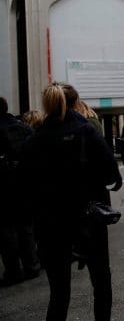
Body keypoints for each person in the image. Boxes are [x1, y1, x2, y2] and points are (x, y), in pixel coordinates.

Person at [19, 83, 121, 320]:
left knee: (59, 292)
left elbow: (24, 185)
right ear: (75, 103)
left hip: (49, 224)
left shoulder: (34, 140)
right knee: (101, 284)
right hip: (87, 220)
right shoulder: (86, 132)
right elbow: (111, 176)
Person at [0, 97, 40, 286]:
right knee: (25, 227)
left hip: (3, 187)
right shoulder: (23, 128)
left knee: (6, 231)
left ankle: (13, 271)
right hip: (24, 184)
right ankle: (31, 265)